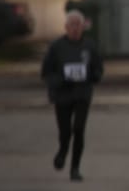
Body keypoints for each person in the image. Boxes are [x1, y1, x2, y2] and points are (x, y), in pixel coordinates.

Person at [41, 10, 104, 181]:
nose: (75, 29)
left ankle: (75, 168)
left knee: (79, 129)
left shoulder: (89, 46)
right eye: (72, 25)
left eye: (78, 25)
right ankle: (62, 151)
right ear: (66, 27)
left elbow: (98, 68)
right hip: (62, 95)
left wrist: (93, 76)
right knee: (65, 130)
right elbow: (46, 71)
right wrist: (60, 80)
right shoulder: (57, 47)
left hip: (82, 94)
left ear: (83, 27)